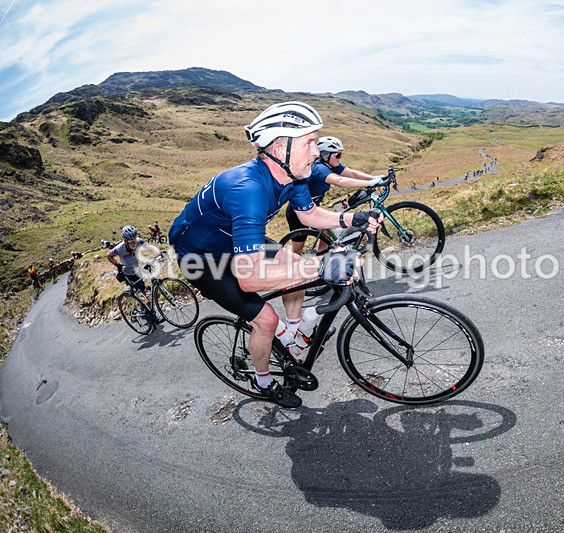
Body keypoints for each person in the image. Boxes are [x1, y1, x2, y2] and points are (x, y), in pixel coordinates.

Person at [168, 101, 381, 408]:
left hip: (232, 238)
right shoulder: (247, 190)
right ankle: (264, 380)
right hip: (200, 257)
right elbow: (250, 279)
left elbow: (308, 215)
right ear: (281, 149)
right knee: (266, 320)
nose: (316, 151)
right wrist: (321, 265)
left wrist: (351, 219)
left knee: (294, 263)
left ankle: (293, 336)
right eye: (309, 143)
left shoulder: (293, 175)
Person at [285, 135, 383, 255]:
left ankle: (321, 259)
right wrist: (370, 183)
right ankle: (290, 265)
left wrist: (375, 178)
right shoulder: (319, 168)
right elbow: (340, 181)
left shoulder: (331, 165)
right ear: (326, 155)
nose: (339, 158)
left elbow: (351, 173)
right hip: (297, 211)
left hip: (313, 209)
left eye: (340, 154)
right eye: (337, 155)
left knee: (325, 233)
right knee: (297, 250)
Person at [107, 226, 161, 298]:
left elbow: (149, 247)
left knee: (143, 290)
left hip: (137, 270)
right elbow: (109, 255)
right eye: (131, 241)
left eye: (134, 240)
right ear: (125, 241)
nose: (134, 243)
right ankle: (138, 302)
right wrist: (117, 265)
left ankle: (144, 304)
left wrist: (158, 252)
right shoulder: (119, 248)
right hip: (127, 273)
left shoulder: (139, 241)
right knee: (139, 294)